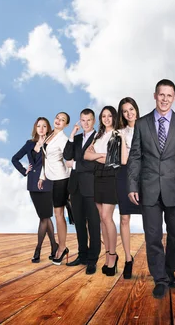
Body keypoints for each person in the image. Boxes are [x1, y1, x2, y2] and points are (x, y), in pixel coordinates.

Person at [128, 79, 175, 299]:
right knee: (153, 236)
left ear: (174, 98)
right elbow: (135, 157)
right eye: (161, 95)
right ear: (155, 95)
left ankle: (169, 272)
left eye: (169, 95)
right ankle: (160, 278)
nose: (165, 99)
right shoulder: (141, 124)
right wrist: (132, 184)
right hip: (148, 188)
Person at [11, 117, 58, 263]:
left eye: (44, 126)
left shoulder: (51, 144)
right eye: (39, 126)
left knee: (44, 217)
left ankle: (38, 249)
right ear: (35, 128)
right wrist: (24, 171)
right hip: (33, 184)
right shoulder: (29, 144)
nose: (42, 128)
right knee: (45, 216)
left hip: (47, 183)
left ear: (48, 128)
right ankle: (54, 246)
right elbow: (14, 158)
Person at [63, 109, 101, 275]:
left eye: (89, 120)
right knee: (79, 224)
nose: (85, 123)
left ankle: (92, 260)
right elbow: (66, 155)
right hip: (75, 187)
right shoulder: (77, 138)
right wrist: (71, 135)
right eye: (83, 120)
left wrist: (76, 165)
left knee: (93, 225)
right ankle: (82, 256)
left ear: (94, 121)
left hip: (91, 187)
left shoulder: (99, 138)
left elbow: (96, 163)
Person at [84, 106, 120, 276]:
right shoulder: (98, 135)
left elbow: (113, 160)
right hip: (97, 176)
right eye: (103, 116)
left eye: (109, 116)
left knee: (107, 217)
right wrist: (101, 155)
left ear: (114, 117)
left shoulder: (117, 134)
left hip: (111, 177)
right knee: (101, 219)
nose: (106, 119)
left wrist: (96, 155)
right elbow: (85, 155)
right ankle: (107, 256)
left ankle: (113, 256)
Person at [37, 112, 71, 265]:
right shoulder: (50, 134)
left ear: (66, 125)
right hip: (50, 178)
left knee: (59, 214)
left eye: (62, 120)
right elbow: (45, 158)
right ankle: (61, 246)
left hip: (60, 179)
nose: (58, 121)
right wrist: (42, 176)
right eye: (58, 118)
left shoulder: (63, 139)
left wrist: (69, 182)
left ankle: (62, 247)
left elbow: (69, 159)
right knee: (55, 214)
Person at [116, 97, 142, 279]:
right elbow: (121, 159)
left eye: (131, 109)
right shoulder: (118, 132)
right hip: (124, 174)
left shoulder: (147, 127)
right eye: (125, 111)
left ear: (136, 109)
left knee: (151, 219)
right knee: (124, 218)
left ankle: (155, 261)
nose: (129, 113)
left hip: (145, 175)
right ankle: (127, 259)